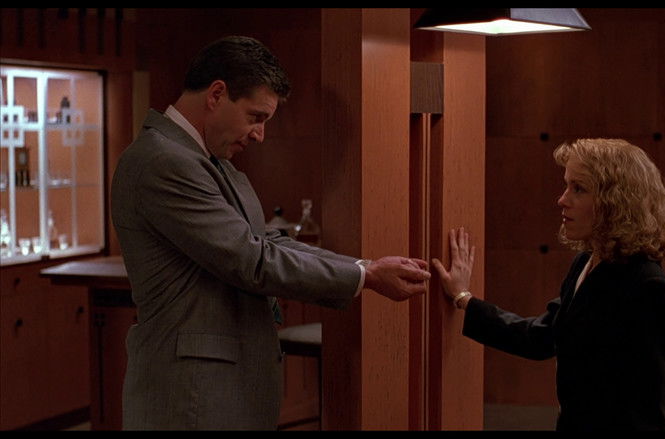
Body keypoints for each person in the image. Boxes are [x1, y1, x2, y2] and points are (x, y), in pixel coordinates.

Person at [111, 35, 430, 430]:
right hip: (191, 394)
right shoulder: (163, 160)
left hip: (216, 389)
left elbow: (266, 242)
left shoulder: (205, 159)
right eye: (255, 117)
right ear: (216, 94)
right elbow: (252, 260)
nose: (259, 134)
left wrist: (366, 266)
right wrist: (367, 277)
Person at [433, 138, 665, 431]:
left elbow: (651, 410)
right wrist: (463, 298)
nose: (562, 199)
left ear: (615, 202)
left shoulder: (648, 286)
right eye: (567, 185)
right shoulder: (586, 263)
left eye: (578, 189)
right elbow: (542, 337)